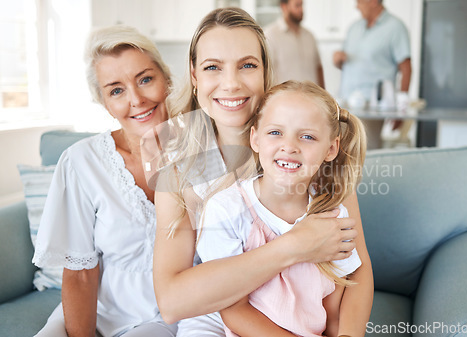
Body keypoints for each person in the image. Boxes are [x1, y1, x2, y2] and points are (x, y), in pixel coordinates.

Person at [152, 7, 373, 337]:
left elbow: (357, 271)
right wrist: (294, 246)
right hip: (219, 317)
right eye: (213, 67)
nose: (231, 83)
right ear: (195, 77)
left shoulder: (313, 162)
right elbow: (171, 302)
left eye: (247, 65)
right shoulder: (178, 175)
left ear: (266, 71)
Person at [32, 26, 178, 337]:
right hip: (102, 309)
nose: (136, 99)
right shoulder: (81, 162)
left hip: (168, 315)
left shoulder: (204, 150)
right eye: (116, 90)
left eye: (146, 79)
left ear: (167, 80)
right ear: (105, 103)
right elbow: (81, 274)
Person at [193, 80, 370, 337]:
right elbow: (233, 310)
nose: (289, 146)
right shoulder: (226, 209)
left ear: (331, 149)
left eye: (307, 136)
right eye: (275, 132)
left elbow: (335, 300)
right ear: (255, 138)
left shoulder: (332, 213)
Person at [333, 0, 412, 148]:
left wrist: (401, 109)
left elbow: (406, 67)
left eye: (360, 2)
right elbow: (345, 65)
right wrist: (338, 60)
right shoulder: (354, 28)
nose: (356, 6)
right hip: (345, 105)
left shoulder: (395, 27)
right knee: (341, 155)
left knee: (366, 154)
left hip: (372, 107)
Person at [264, 0, 325, 87]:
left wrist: (324, 95)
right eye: (297, 5)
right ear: (284, 7)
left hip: (312, 97)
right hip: (284, 98)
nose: (301, 10)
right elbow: (266, 72)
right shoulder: (270, 35)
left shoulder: (309, 36)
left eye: (302, 5)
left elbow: (318, 68)